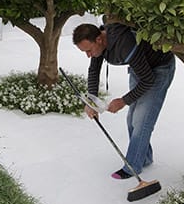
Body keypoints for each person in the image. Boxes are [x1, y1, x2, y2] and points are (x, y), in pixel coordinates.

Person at [72, 22, 175, 180]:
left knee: (142, 120)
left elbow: (148, 80)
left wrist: (123, 101)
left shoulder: (123, 44)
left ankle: (133, 166)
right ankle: (144, 158)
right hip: (140, 68)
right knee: (131, 120)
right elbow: (94, 70)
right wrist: (91, 102)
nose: (88, 55)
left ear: (99, 40)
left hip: (158, 69)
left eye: (88, 50)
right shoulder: (99, 44)